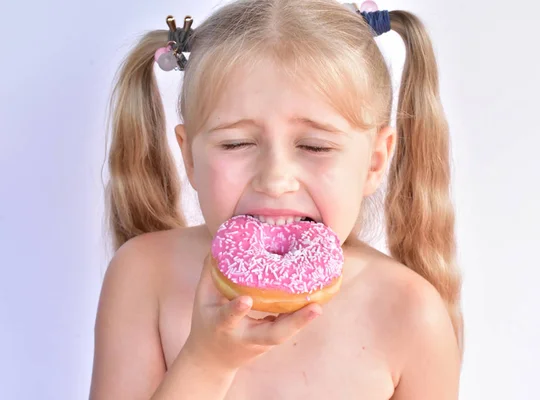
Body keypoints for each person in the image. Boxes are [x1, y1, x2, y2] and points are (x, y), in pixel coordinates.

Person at [90, 0, 464, 398]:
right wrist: (206, 362)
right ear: (190, 158)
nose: (275, 180)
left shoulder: (410, 313)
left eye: (315, 146)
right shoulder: (146, 274)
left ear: (374, 162)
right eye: (236, 143)